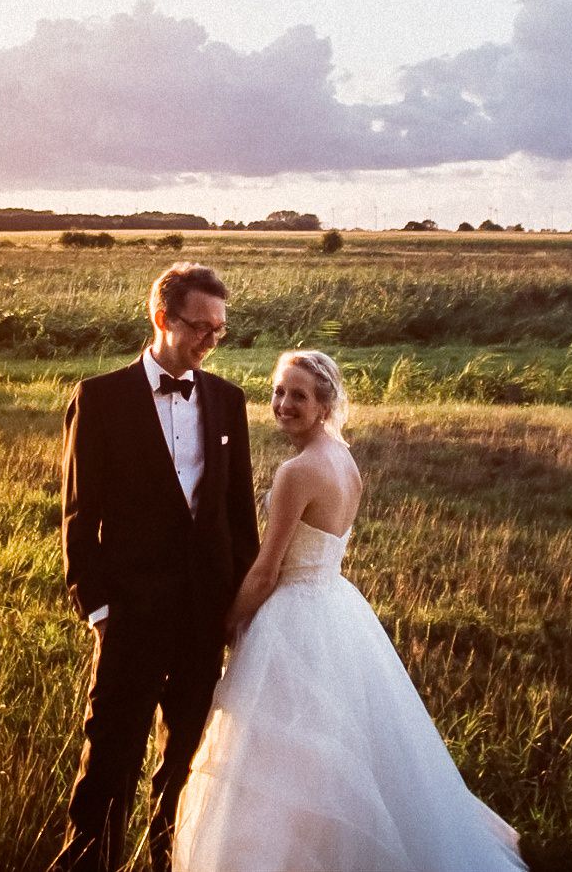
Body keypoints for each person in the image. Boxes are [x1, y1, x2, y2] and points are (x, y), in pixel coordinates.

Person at [172, 350, 528, 872]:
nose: (284, 404)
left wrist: (225, 625)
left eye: (299, 395)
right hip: (337, 609)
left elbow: (267, 571)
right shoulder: (344, 458)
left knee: (277, 754)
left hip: (291, 617)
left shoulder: (298, 471)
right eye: (278, 391)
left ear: (324, 405)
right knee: (333, 752)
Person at [50, 263, 260, 872]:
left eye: (220, 332)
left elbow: (236, 511)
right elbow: (77, 513)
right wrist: (97, 607)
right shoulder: (101, 398)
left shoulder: (226, 401)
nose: (210, 342)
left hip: (205, 614)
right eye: (200, 328)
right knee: (110, 756)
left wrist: (242, 604)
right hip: (131, 615)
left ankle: (168, 858)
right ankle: (88, 862)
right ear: (162, 318)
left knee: (187, 759)